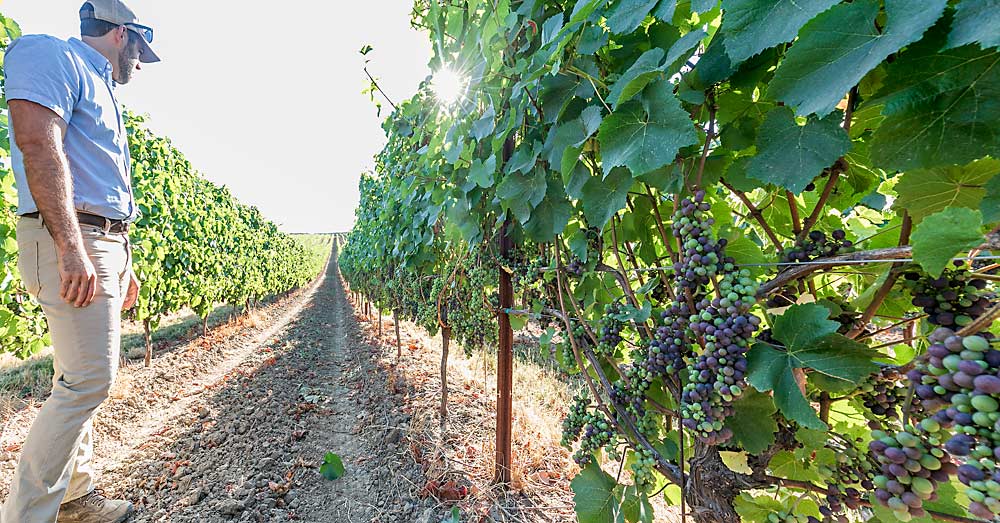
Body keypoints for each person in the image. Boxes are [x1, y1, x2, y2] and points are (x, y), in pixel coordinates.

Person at [1, 1, 160, 521]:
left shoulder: (101, 87)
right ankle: (26, 515)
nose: (140, 63)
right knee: (90, 380)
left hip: (102, 240)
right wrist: (71, 247)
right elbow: (36, 144)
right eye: (139, 51)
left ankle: (76, 497)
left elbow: (108, 187)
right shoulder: (53, 57)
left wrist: (125, 258)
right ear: (121, 35)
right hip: (71, 236)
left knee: (78, 375)